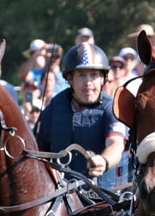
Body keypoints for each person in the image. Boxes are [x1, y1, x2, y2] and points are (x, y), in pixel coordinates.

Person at [33, 42, 127, 191]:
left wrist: (104, 160)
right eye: (81, 75)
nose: (88, 82)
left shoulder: (111, 108)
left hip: (104, 199)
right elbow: (37, 151)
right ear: (69, 78)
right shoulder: (53, 108)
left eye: (94, 75)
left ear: (103, 78)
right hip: (58, 199)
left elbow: (116, 144)